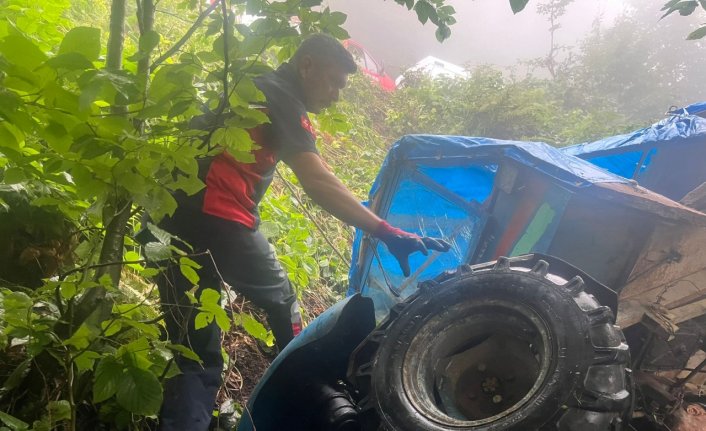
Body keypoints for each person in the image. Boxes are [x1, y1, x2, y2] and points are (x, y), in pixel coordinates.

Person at [154, 33, 450, 431]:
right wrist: (387, 231)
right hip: (219, 214)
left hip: (166, 217)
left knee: (193, 349)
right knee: (283, 301)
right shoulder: (281, 96)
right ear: (306, 65)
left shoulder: (251, 81)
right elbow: (317, 181)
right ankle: (300, 385)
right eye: (334, 82)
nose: (336, 95)